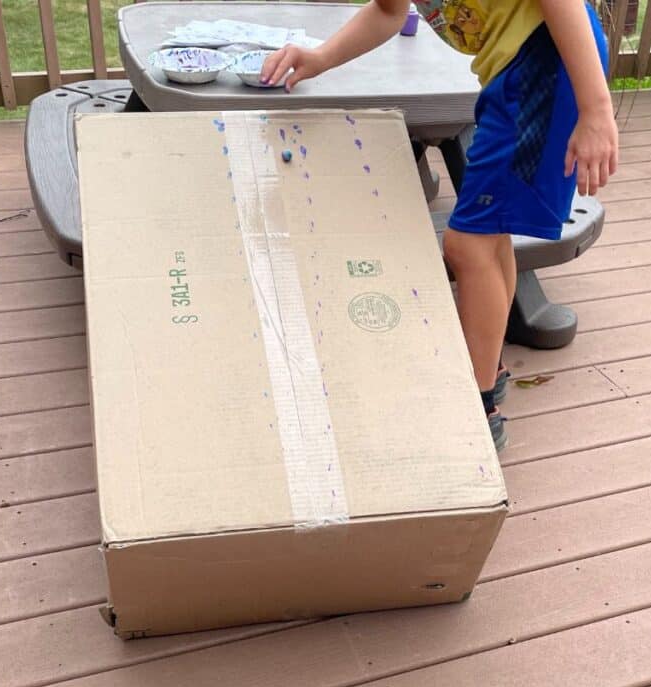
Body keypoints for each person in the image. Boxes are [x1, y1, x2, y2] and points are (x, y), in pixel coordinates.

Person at [262, 0, 618, 450]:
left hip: (545, 61)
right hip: (516, 73)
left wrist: (596, 110)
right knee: (488, 234)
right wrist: (320, 57)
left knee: (468, 245)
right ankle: (489, 370)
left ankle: (478, 405)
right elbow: (389, 12)